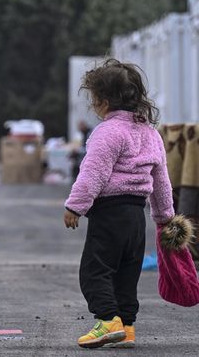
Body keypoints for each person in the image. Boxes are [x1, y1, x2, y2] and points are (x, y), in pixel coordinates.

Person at [62, 59, 174, 349]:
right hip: (137, 216)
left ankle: (107, 320)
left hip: (109, 213)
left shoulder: (107, 132)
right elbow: (161, 179)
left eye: (93, 99)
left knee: (95, 270)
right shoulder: (150, 133)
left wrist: (76, 206)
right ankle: (127, 325)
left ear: (105, 101)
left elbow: (93, 173)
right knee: (127, 273)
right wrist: (164, 216)